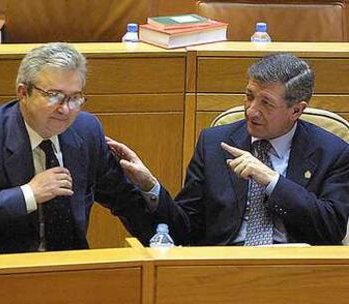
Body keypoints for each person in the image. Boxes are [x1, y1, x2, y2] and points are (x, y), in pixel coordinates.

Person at [107, 53, 349, 246]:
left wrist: (272, 181)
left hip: (298, 271)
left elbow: (331, 228)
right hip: (223, 268)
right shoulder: (214, 143)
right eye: (249, 96)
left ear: (296, 110)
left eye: (266, 103)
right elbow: (184, 230)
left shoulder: (332, 152)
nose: (251, 110)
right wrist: (151, 187)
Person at [0, 43, 155, 253]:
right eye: (54, 96)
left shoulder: (86, 130)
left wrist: (152, 193)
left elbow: (125, 199)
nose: (66, 109)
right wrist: (29, 194)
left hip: (64, 269)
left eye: (75, 98)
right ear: (23, 93)